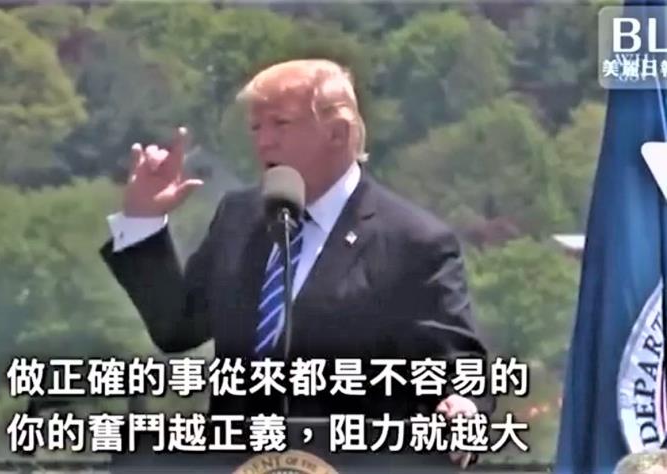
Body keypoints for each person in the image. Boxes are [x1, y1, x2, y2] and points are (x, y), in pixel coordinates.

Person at [100, 58, 494, 468]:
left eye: (281, 124)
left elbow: (462, 368)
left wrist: (464, 407)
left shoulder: (412, 242)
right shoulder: (240, 217)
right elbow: (178, 328)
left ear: (337, 133)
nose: (264, 142)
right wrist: (142, 221)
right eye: (256, 127)